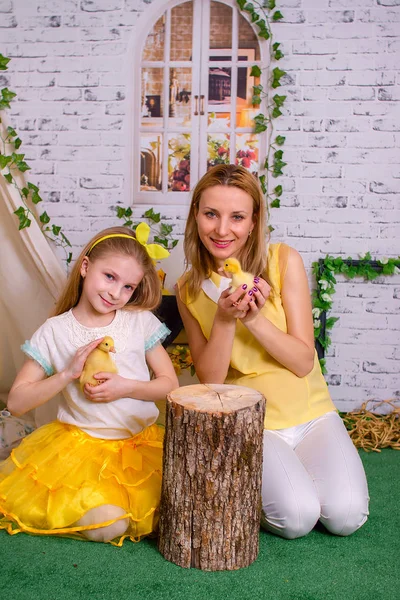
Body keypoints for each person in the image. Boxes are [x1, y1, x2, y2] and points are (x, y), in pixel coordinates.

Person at [176, 164, 369, 539]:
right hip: (254, 422)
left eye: (237, 217)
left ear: (253, 222)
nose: (221, 229)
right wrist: (225, 318)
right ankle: (259, 476)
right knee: (296, 520)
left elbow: (301, 362)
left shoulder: (283, 260)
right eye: (211, 214)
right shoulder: (189, 288)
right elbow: (210, 379)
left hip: (312, 414)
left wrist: (254, 318)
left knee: (346, 518)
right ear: (195, 215)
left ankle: (285, 474)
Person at [0, 225, 179, 545]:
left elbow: (169, 386)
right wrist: (66, 374)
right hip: (81, 454)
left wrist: (126, 386)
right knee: (108, 526)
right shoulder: (55, 331)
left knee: (177, 507)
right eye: (109, 277)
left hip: (141, 447)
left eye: (127, 286)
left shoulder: (138, 321)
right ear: (85, 267)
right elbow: (16, 402)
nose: (115, 293)